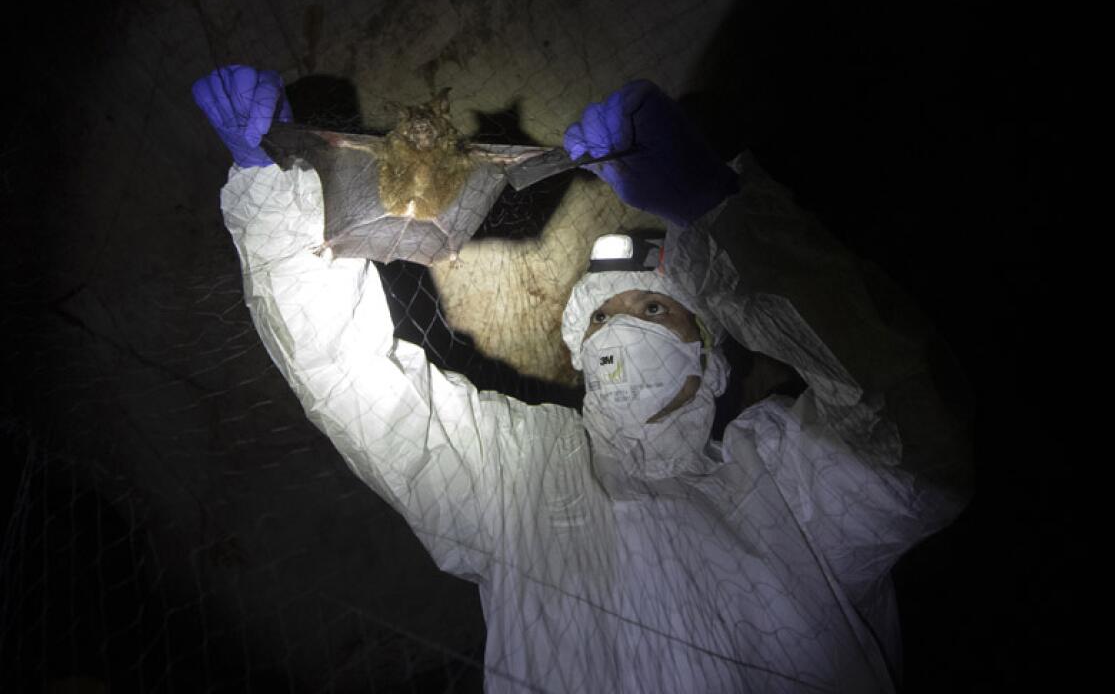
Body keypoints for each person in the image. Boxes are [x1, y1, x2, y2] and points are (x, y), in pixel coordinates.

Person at [195, 66, 973, 693]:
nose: (621, 327)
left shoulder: (786, 482)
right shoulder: (516, 469)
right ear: (576, 350)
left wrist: (724, 220)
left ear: (708, 346)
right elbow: (351, 376)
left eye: (652, 308)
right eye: (601, 318)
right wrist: (280, 195)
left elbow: (919, 438)